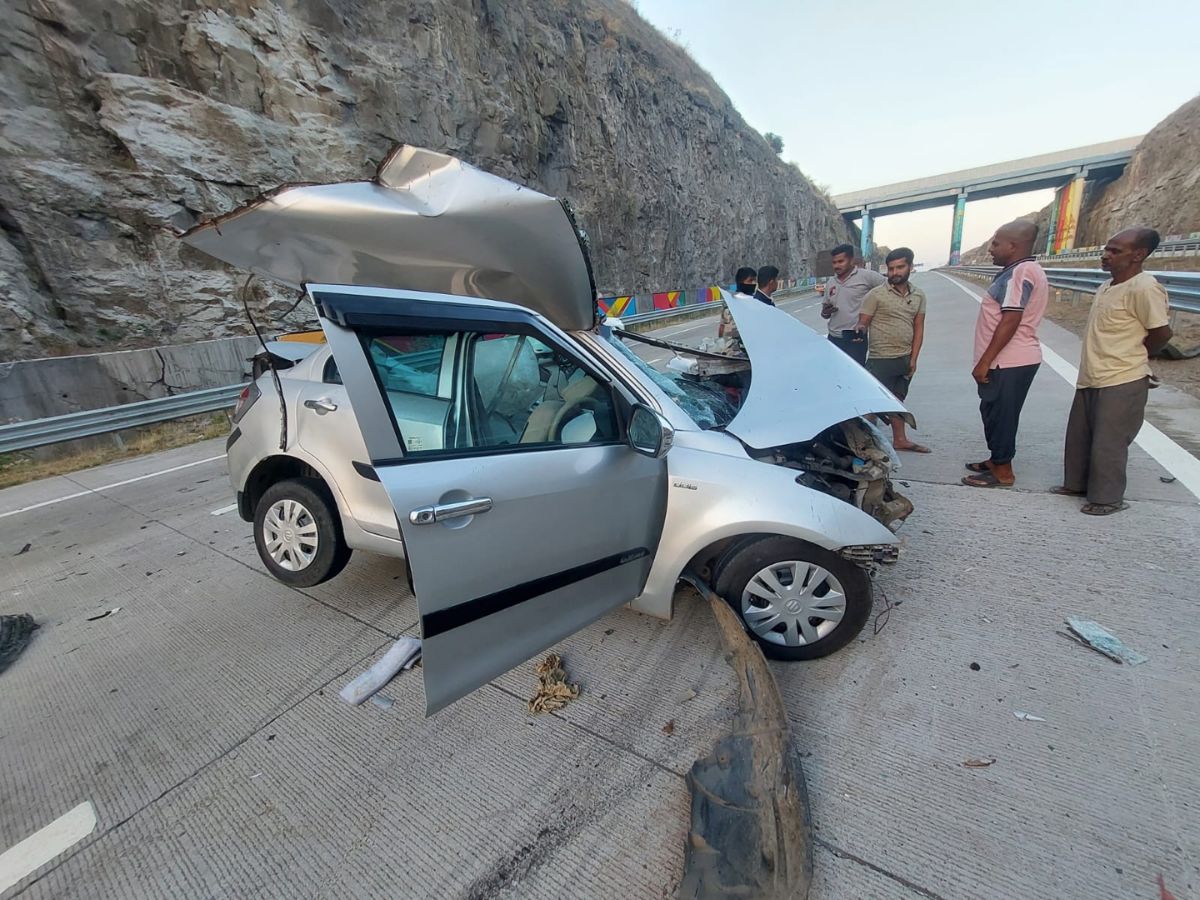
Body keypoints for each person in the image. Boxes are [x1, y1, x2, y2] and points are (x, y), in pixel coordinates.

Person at [1054, 228, 1172, 515]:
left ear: (1138, 255)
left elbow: (1161, 332)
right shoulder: (1107, 286)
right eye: (1106, 249)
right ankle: (1077, 484)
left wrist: (1138, 356)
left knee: (1109, 442)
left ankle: (1107, 498)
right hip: (1092, 374)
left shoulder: (1144, 287)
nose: (1106, 256)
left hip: (1122, 376)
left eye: (1115, 251)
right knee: (1080, 436)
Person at [962, 220, 1048, 488]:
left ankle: (1003, 471)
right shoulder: (1026, 270)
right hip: (1015, 359)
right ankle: (996, 459)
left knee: (1000, 415)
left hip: (1007, 361)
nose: (991, 248)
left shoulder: (1018, 273)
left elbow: (1010, 318)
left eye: (997, 243)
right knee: (995, 411)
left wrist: (985, 362)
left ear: (1014, 246)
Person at [857, 247, 929, 453]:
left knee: (898, 400)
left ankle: (900, 440)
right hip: (880, 359)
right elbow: (863, 322)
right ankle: (864, 445)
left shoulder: (919, 295)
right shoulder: (875, 295)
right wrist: (860, 328)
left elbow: (919, 327)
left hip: (905, 358)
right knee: (872, 403)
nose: (895, 272)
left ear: (910, 267)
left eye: (900, 267)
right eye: (891, 269)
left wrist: (914, 358)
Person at [820, 243, 885, 365]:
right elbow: (824, 313)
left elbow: (888, 290)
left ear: (851, 260)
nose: (837, 266)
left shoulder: (867, 276)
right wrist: (826, 311)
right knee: (835, 373)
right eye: (834, 262)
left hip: (856, 338)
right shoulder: (831, 282)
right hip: (834, 338)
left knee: (855, 374)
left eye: (841, 261)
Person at [719, 266, 758, 342]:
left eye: (755, 280)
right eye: (750, 280)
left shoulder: (756, 302)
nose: (753, 283)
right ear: (741, 282)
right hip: (733, 347)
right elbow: (722, 326)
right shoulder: (730, 302)